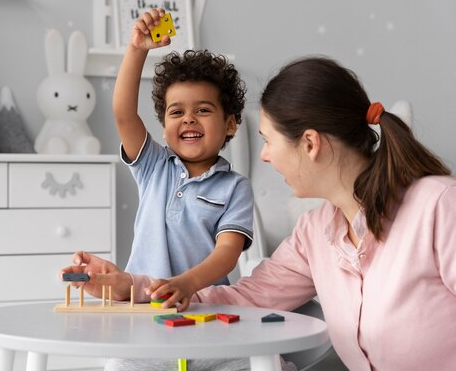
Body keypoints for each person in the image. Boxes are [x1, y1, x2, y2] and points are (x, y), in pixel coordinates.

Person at [61, 56, 456, 371]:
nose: (264, 155)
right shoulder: (314, 233)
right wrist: (130, 285)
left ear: (310, 144)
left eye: (268, 140)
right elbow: (242, 297)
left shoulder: (438, 206)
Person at [113, 7, 254, 305]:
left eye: (203, 110)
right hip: (142, 302)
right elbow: (124, 114)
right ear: (164, 128)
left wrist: (187, 284)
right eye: (177, 112)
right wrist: (136, 50)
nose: (188, 119)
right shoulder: (153, 166)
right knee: (137, 353)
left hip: (201, 303)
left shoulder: (235, 187)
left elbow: (227, 253)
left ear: (230, 124)